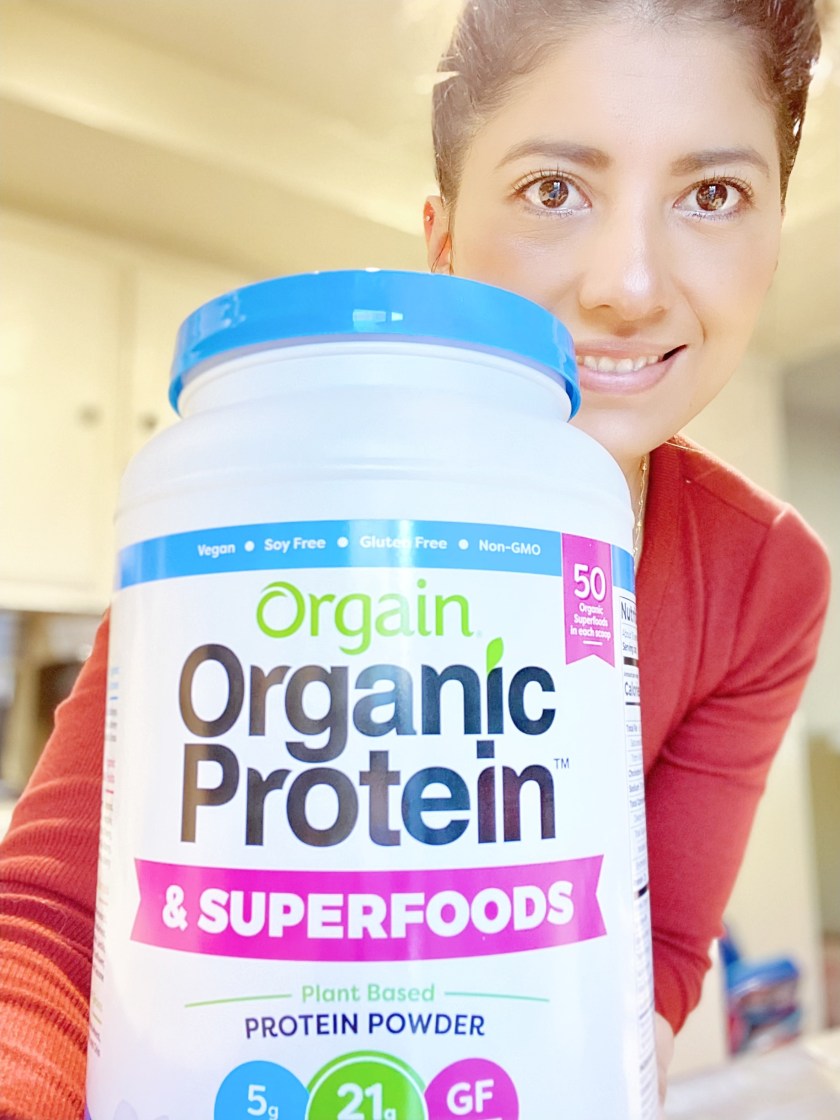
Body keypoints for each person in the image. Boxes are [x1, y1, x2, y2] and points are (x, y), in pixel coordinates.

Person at [0, 1, 830, 1117]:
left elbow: (658, 947)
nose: (629, 287)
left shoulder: (768, 578)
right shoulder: (264, 505)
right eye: (554, 189)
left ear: (775, 232)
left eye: (713, 194)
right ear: (443, 248)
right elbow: (48, 933)